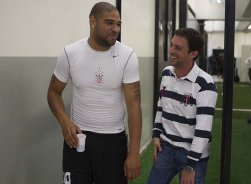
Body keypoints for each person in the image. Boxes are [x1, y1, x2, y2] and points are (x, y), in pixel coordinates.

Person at [47, 2, 142, 184]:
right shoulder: (70, 53)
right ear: (92, 21)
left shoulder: (127, 56)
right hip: (78, 140)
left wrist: (134, 152)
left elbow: (134, 106)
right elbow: (53, 92)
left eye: (119, 24)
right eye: (109, 23)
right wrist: (65, 121)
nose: (116, 29)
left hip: (113, 142)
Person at [147, 28, 218, 184]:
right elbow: (161, 107)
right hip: (165, 148)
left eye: (178, 48)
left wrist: (190, 166)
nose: (171, 50)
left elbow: (203, 130)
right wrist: (156, 134)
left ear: (193, 54)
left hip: (192, 154)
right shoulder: (166, 73)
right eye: (171, 45)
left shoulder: (205, 84)